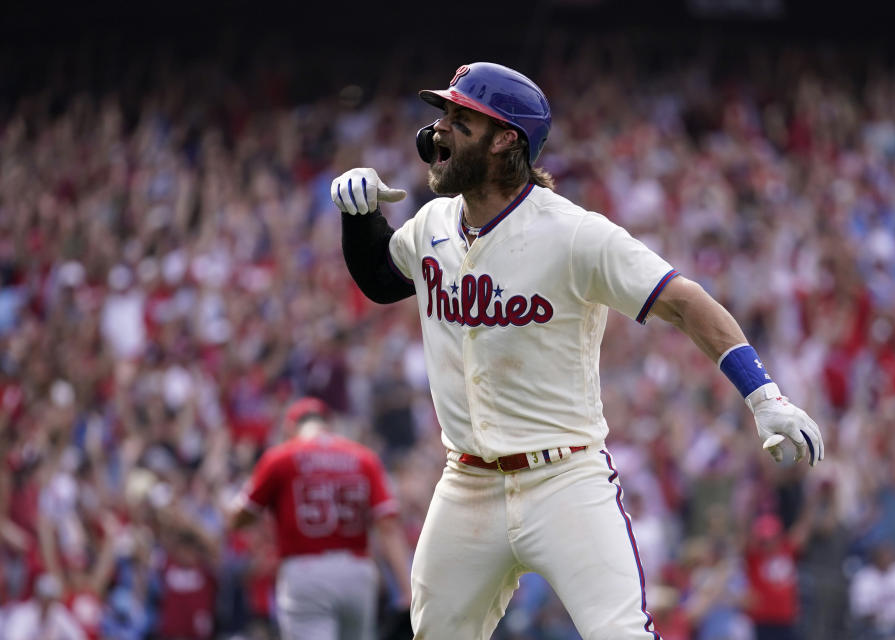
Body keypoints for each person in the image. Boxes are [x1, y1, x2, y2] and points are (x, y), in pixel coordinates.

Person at [331, 61, 824, 640]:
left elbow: (685, 301)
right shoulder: (433, 221)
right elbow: (383, 282)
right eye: (443, 116)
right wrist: (358, 223)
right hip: (466, 484)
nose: (438, 131)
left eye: (461, 120)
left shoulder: (573, 233)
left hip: (563, 479)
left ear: (504, 142)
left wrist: (764, 395)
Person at [227, 397, 412, 640]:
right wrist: (407, 589)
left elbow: (239, 518)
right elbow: (387, 526)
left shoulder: (280, 458)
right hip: (357, 571)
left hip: (305, 571)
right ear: (329, 424)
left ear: (290, 428)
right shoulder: (364, 458)